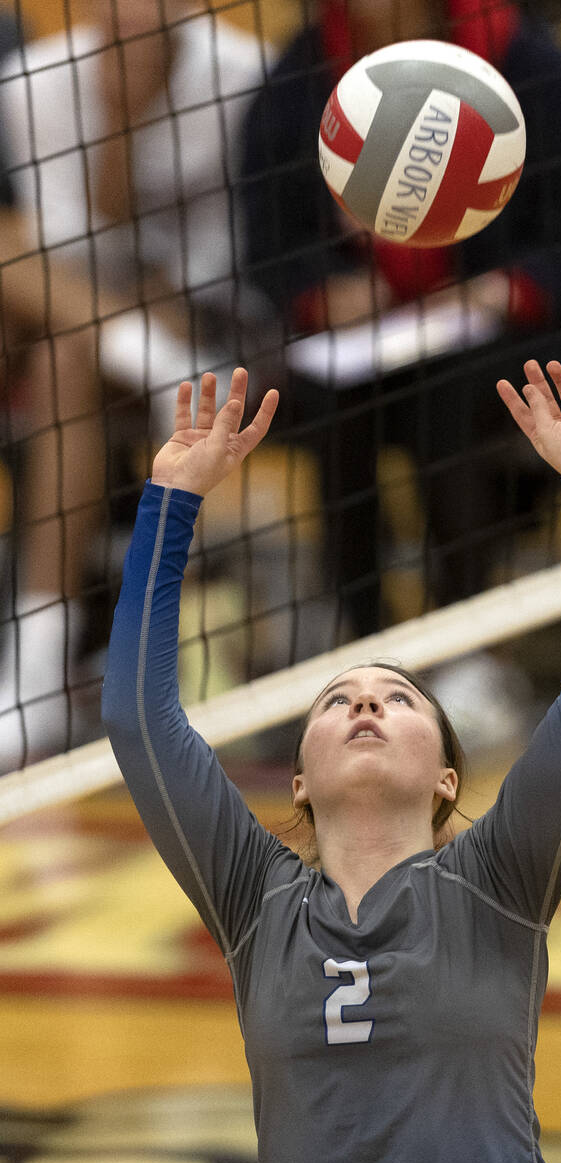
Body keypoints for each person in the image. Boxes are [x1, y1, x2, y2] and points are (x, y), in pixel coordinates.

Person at [102, 356, 561, 1163]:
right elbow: (140, 721)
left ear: (444, 778)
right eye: (337, 701)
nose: (366, 705)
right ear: (297, 782)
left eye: (399, 699)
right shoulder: (254, 902)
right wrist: (172, 500)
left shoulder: (499, 880)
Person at [239, 0, 561, 659]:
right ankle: (362, 638)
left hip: (524, 329)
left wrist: (506, 288)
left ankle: (462, 638)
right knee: (337, 407)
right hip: (371, 342)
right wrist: (323, 292)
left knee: (451, 398)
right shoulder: (304, 74)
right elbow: (269, 236)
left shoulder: (526, 62)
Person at [0, 0, 274, 769]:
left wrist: (155, 298)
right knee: (53, 336)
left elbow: (229, 259)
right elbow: (61, 244)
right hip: (100, 330)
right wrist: (117, 127)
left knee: (62, 346)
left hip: (211, 329)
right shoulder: (32, 83)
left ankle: (52, 665)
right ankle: (36, 675)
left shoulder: (241, 74)